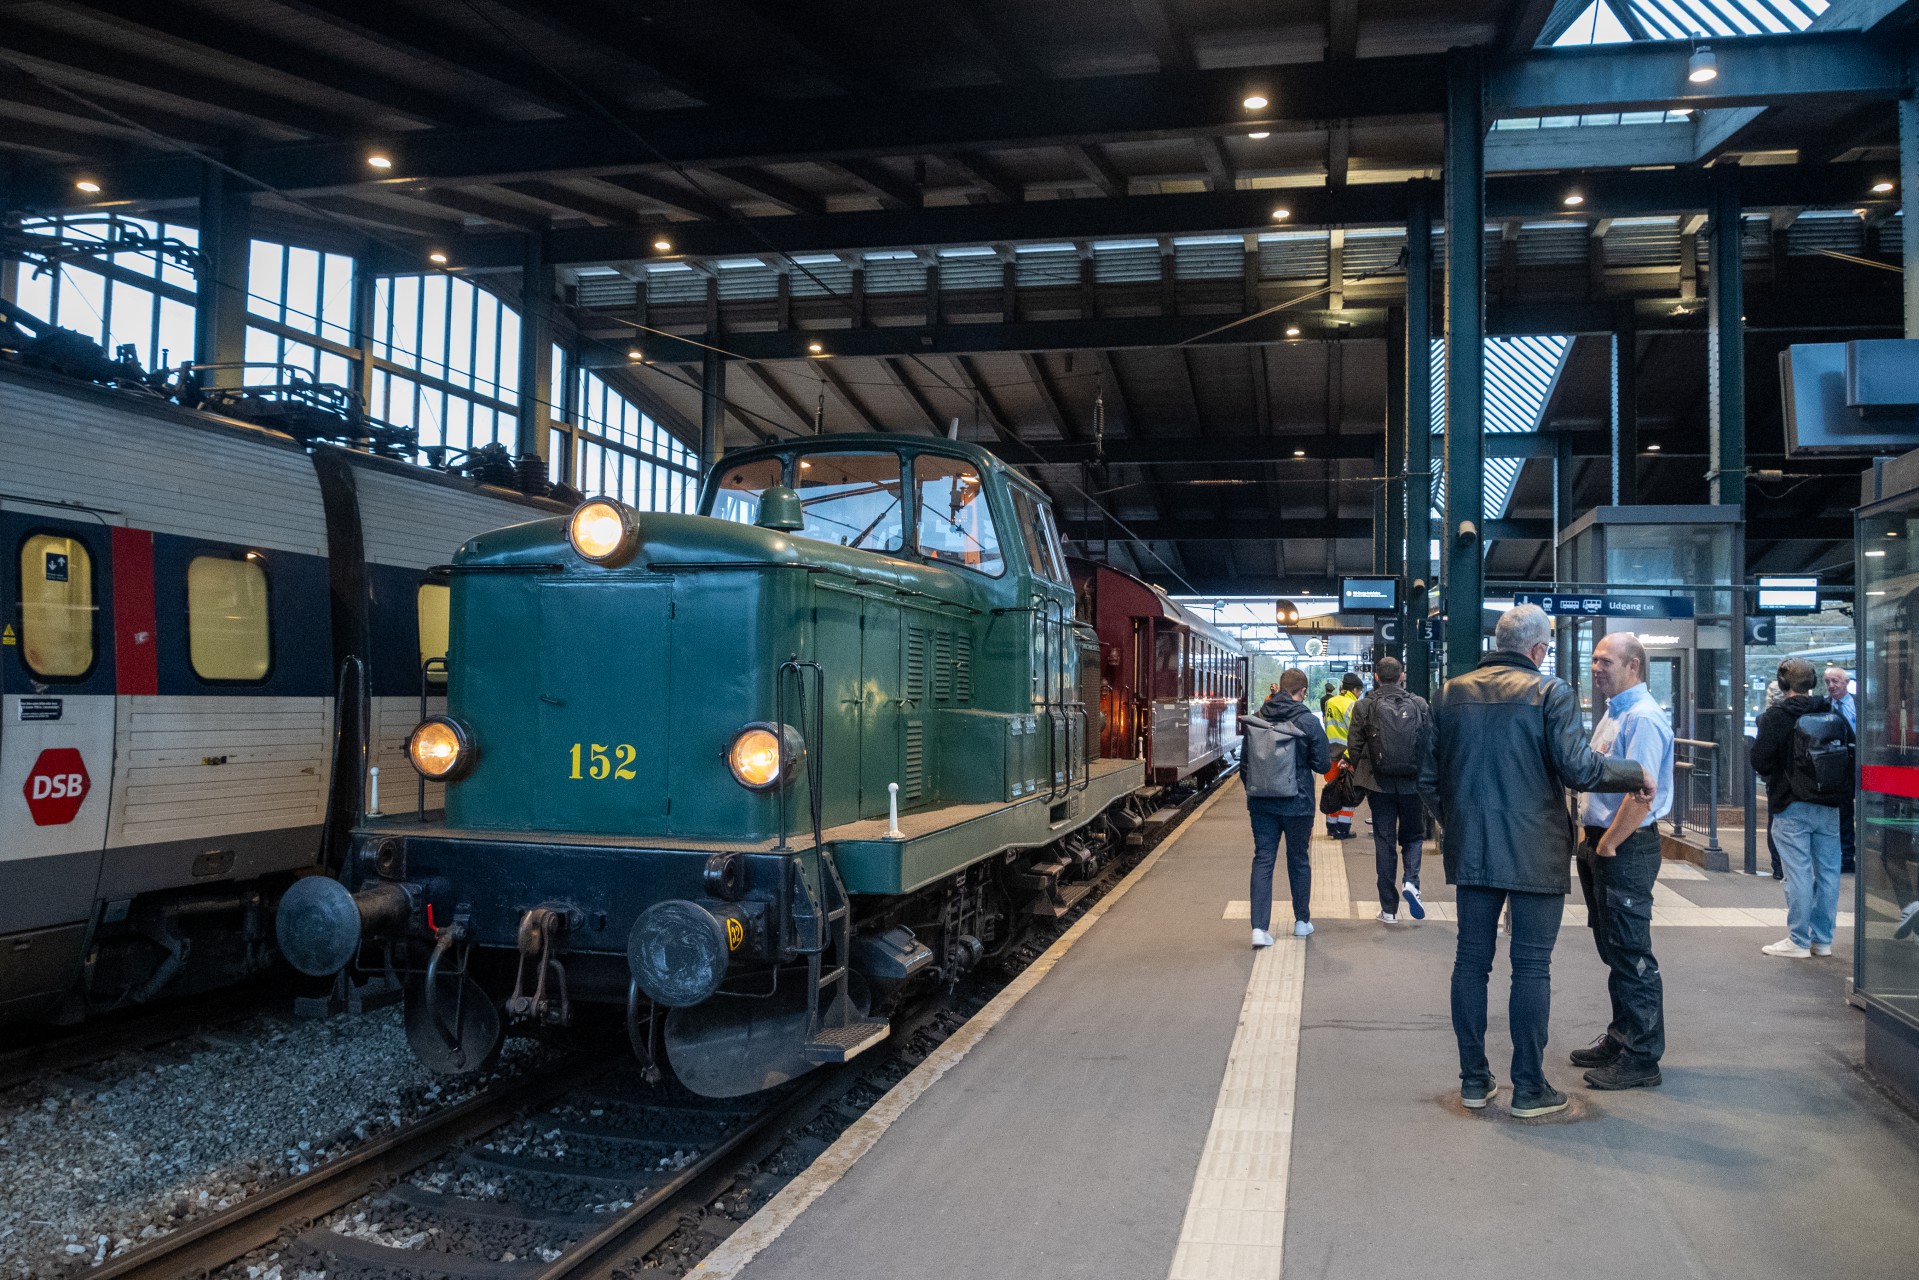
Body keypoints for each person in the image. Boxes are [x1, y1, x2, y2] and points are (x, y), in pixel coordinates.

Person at [1419, 604, 1648, 1119]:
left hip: (1473, 847)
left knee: (1470, 963)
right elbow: (1579, 768)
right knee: (1530, 967)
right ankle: (1528, 1087)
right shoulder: (1550, 692)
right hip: (1536, 847)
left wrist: (1457, 823)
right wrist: (1634, 772)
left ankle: (1474, 1081)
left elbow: (1428, 778)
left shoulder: (1449, 693)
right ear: (1539, 649)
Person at [1571, 633, 1674, 1092]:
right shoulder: (1615, 713)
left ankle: (1642, 1057)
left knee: (1632, 953)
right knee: (1614, 949)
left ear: (1633, 665)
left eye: (1605, 661)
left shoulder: (1643, 718)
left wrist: (1608, 844)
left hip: (1623, 847)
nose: (1596, 668)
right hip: (1602, 843)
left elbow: (1641, 793)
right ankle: (1622, 1037)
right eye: (1594, 660)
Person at [1751, 658, 1854, 959]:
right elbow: (1850, 752)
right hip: (1829, 805)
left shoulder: (1776, 717)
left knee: (1797, 874)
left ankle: (1797, 940)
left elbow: (1760, 761)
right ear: (1813, 684)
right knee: (1829, 873)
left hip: (1791, 804)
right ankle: (1822, 940)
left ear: (1783, 684)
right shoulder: (1831, 712)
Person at [1246, 668, 1332, 945]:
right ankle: (1301, 922)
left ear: (1280, 688)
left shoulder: (1258, 718)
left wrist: (1261, 788)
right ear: (1303, 691)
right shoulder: (1308, 721)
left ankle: (1259, 929)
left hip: (1262, 804)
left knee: (1263, 859)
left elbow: (1245, 766)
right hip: (1298, 802)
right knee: (1298, 859)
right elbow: (1323, 764)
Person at [1345, 656, 1430, 924]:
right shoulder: (1419, 704)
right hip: (1412, 784)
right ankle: (1411, 881)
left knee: (1384, 841)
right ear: (1402, 676)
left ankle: (1389, 909)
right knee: (1413, 836)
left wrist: (1360, 768)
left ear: (1376, 677)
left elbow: (1354, 746)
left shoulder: (1364, 706)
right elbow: (1429, 742)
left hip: (1378, 785)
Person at [1322, 673, 1363, 838]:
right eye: (1359, 690)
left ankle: (1331, 826)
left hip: (1331, 753)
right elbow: (1355, 733)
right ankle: (1343, 828)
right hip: (1347, 754)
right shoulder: (1353, 705)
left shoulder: (1330, 702)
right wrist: (1349, 755)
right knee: (1349, 792)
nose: (1360, 694)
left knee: (1333, 790)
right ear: (1354, 690)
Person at [1826, 665, 1858, 875]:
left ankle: (1848, 854)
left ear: (1846, 682)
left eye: (1835, 681)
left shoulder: (1859, 704)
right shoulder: (1824, 706)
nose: (1831, 685)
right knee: (1841, 810)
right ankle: (1844, 855)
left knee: (1849, 810)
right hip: (1835, 766)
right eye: (1827, 681)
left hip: (1856, 762)